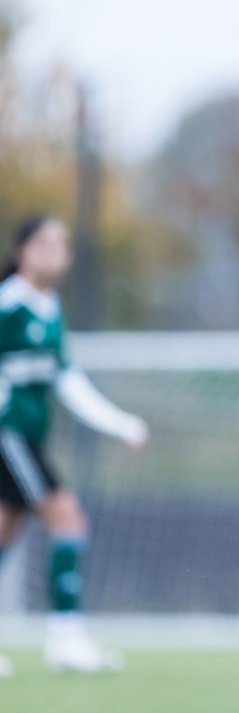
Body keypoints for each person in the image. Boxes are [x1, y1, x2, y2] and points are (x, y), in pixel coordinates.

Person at [0, 215, 148, 676]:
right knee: (67, 516)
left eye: (62, 245)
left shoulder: (50, 308)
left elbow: (67, 381)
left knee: (5, 533)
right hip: (8, 435)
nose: (55, 254)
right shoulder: (7, 305)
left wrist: (118, 423)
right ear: (22, 250)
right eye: (44, 244)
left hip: (28, 438)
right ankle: (66, 639)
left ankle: (67, 638)